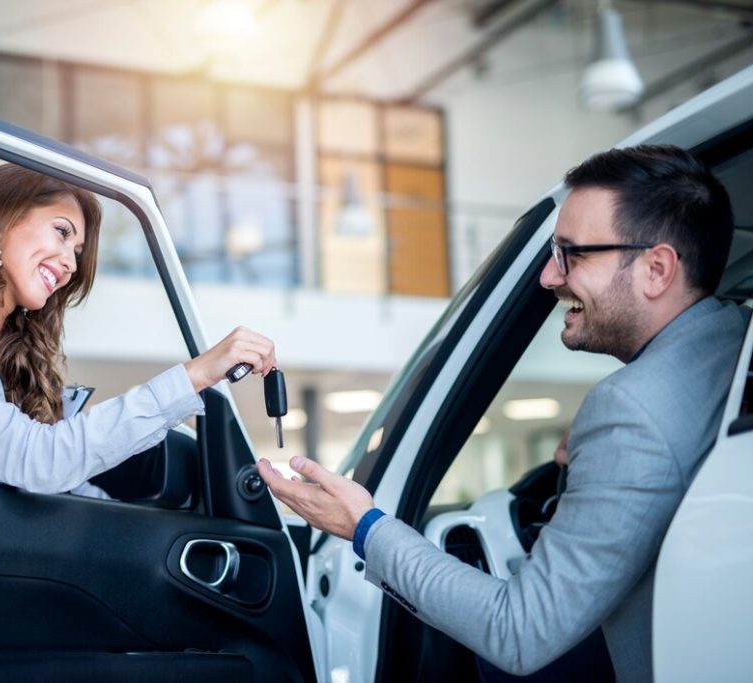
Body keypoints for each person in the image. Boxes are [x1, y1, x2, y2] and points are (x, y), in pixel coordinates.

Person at [258, 145, 750, 682]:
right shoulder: (734, 341)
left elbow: (521, 631)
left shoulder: (628, 409)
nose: (548, 277)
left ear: (656, 269)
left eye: (572, 254)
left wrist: (363, 526)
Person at [0, 163, 276, 495]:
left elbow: (67, 491)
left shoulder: (0, 369)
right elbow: (39, 462)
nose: (71, 264)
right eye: (61, 232)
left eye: (77, 252)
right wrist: (196, 375)